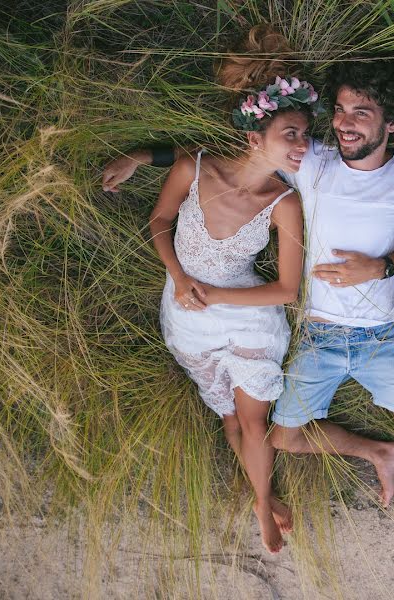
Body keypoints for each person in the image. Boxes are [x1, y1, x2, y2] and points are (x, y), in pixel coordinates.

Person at [103, 56, 394, 544]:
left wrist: (382, 265)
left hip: (384, 328)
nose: (343, 122)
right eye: (340, 110)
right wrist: (141, 157)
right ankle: (376, 452)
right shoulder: (314, 161)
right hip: (321, 332)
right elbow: (226, 158)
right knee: (280, 436)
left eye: (359, 113)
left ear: (392, 123)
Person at [119, 26, 320, 554]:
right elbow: (160, 218)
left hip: (245, 309)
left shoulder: (285, 204)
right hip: (185, 309)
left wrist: (215, 291)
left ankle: (261, 505)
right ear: (256, 138)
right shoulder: (195, 166)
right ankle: (264, 494)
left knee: (252, 421)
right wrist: (181, 277)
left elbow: (285, 290)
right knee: (228, 415)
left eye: (305, 135)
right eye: (291, 134)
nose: (303, 145)